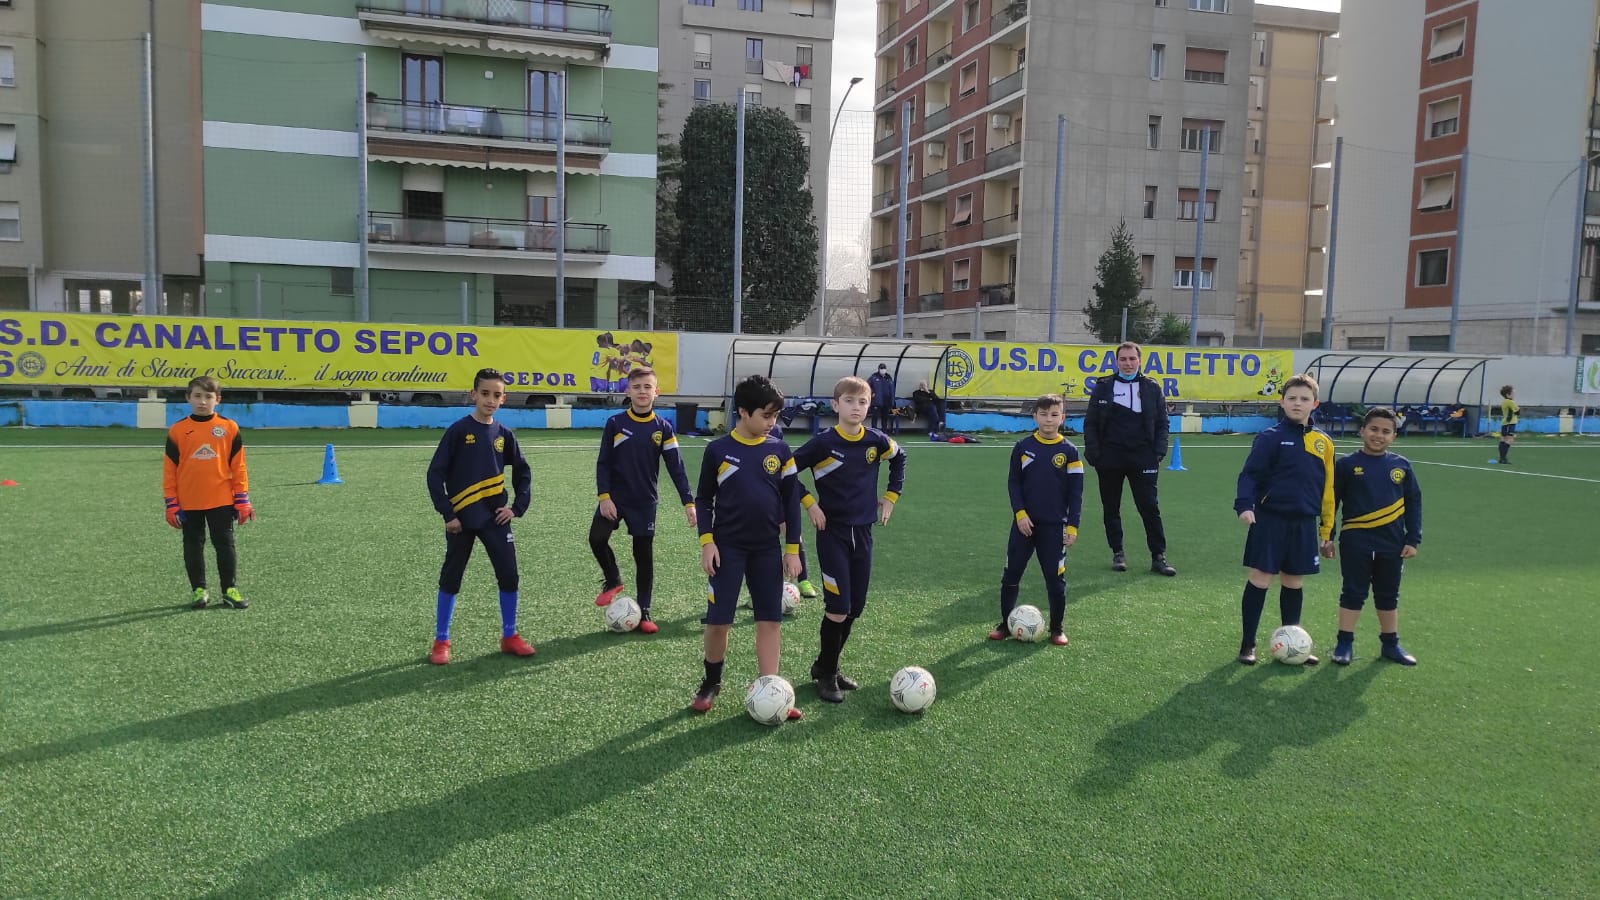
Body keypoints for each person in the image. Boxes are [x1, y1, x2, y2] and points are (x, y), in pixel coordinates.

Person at [691, 374, 804, 719]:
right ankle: (711, 682)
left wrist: (792, 549)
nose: (772, 423)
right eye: (766, 415)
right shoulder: (718, 450)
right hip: (727, 549)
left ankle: (772, 689)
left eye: (775, 416)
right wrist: (707, 543)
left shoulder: (780, 450)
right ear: (742, 411)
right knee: (718, 622)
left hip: (766, 550)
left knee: (769, 621)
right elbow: (704, 499)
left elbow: (790, 501)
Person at [793, 376, 907, 703]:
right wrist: (810, 503)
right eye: (849, 401)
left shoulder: (876, 440)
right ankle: (826, 676)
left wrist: (890, 496)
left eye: (862, 402)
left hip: (864, 532)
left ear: (869, 406)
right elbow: (785, 472)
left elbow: (900, 458)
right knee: (838, 607)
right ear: (835, 404)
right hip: (833, 534)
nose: (856, 408)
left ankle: (826, 665)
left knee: (855, 607)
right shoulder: (823, 443)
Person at [425, 368, 535, 665]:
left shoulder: (504, 435)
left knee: (509, 575)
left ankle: (510, 636)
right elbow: (435, 475)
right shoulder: (458, 431)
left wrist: (516, 507)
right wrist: (448, 513)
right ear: (473, 394)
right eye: (485, 393)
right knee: (452, 577)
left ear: (504, 398)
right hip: (461, 520)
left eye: (497, 395)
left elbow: (523, 473)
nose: (490, 400)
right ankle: (441, 639)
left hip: (495, 519)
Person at [1233, 373, 1334, 665]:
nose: (1297, 404)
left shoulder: (1323, 443)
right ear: (1282, 401)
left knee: (1293, 581)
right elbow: (1250, 475)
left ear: (1314, 404)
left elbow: (1328, 489)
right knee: (1261, 578)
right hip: (1270, 520)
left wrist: (1328, 529)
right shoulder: (1270, 438)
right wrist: (1244, 505)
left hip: (1303, 523)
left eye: (1304, 399)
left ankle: (1294, 643)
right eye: (1292, 398)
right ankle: (1247, 644)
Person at [591, 366, 696, 634]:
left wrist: (688, 502)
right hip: (615, 498)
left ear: (656, 392)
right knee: (597, 538)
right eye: (636, 387)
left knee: (643, 557)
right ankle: (613, 579)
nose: (642, 392)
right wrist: (604, 497)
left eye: (647, 387)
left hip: (644, 502)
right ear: (628, 391)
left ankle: (644, 610)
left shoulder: (663, 428)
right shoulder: (615, 423)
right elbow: (603, 463)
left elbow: (677, 468)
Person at [1328, 407, 1421, 666]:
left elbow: (1414, 504)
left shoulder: (1401, 466)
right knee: (1353, 592)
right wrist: (1327, 535)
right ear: (1362, 431)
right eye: (1373, 429)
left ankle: (1390, 645)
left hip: (1392, 544)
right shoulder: (1346, 465)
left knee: (1388, 594)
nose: (1378, 435)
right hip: (1355, 541)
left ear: (1394, 437)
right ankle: (1344, 643)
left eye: (1385, 431)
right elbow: (1331, 502)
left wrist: (1413, 539)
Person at [991, 394, 1083, 646]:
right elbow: (1014, 484)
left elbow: (1076, 494)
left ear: (1062, 418)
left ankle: (1056, 628)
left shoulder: (1070, 452)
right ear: (1035, 417)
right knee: (1011, 575)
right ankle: (1004, 623)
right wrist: (1020, 514)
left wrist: (1072, 527)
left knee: (1055, 580)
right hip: (1023, 525)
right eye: (1043, 414)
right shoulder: (1022, 447)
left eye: (1054, 415)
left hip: (1054, 528)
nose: (1049, 420)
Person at [1083, 342, 1176, 577]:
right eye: (1123, 359)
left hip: (1143, 457)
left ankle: (1158, 557)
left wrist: (1158, 453)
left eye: (1132, 359)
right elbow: (1091, 423)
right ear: (1116, 361)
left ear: (1139, 360)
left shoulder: (1152, 388)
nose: (1127, 363)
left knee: (1149, 507)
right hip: (1110, 458)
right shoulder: (1103, 387)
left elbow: (1163, 424)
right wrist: (1095, 455)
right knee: (1111, 507)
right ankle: (1118, 553)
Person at [164, 376, 255, 610]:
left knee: (225, 545)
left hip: (222, 499)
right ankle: (199, 591)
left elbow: (239, 466)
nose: (202, 402)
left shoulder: (229, 428)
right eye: (197, 396)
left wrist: (242, 498)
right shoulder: (177, 431)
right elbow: (170, 470)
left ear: (218, 399)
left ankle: (229, 590)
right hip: (189, 501)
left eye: (208, 397)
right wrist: (171, 502)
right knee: (193, 545)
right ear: (188, 398)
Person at [767, 403, 819, 599]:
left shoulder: (778, 447)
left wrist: (809, 503)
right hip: (759, 507)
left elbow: (793, 482)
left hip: (780, 503)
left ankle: (803, 580)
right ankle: (762, 590)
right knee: (762, 548)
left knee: (794, 538)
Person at [1493, 384, 1518, 465]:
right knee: (1509, 440)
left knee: (1503, 439)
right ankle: (1503, 458)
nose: (1514, 395)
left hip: (1505, 423)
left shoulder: (1504, 401)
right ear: (1508, 394)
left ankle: (1502, 458)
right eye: (1513, 393)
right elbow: (1517, 412)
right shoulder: (1510, 402)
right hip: (1509, 423)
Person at [867, 363, 896, 433]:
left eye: (884, 368)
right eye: (881, 368)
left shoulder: (889, 378)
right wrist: (872, 393)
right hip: (877, 401)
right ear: (879, 369)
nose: (883, 370)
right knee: (875, 418)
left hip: (887, 401)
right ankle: (874, 432)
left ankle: (884, 433)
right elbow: (867, 386)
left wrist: (892, 401)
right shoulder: (873, 377)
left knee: (885, 418)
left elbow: (892, 390)